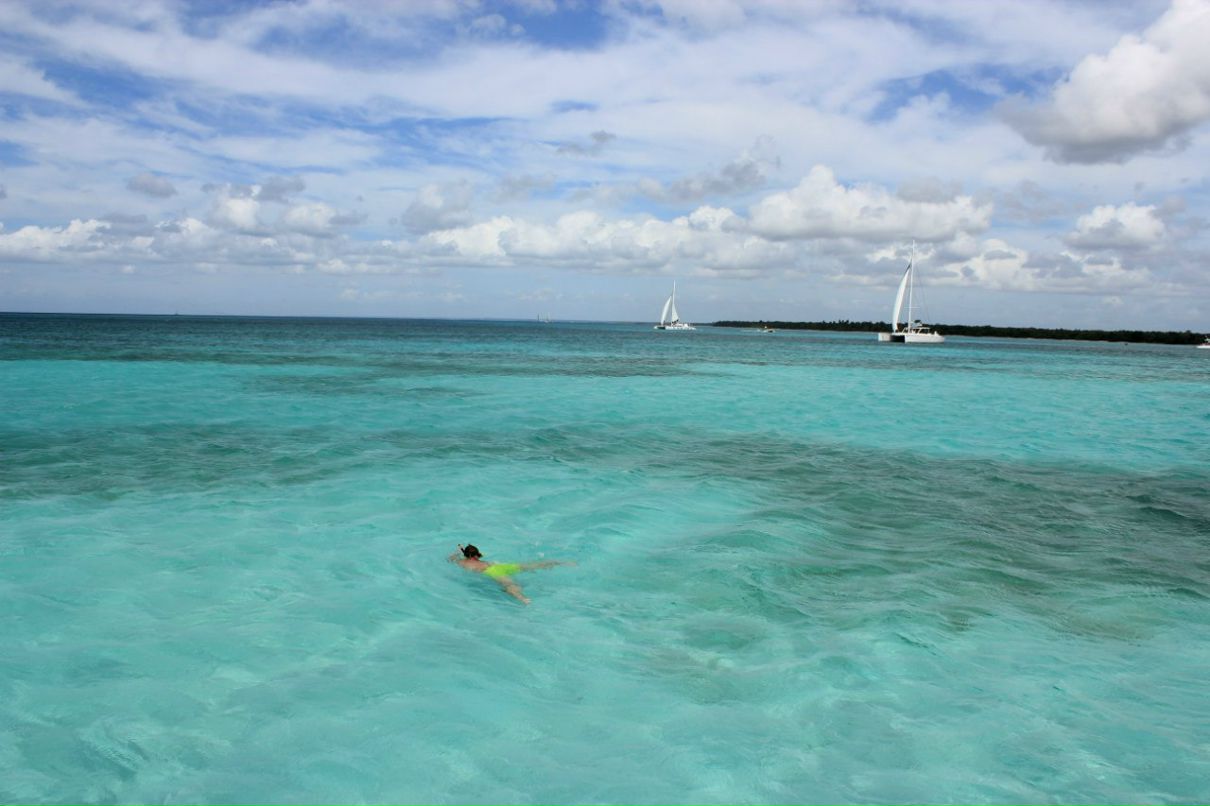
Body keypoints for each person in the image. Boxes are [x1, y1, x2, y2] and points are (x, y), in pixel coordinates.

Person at [448, 543, 573, 605]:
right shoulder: (477, 559)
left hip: (492, 571)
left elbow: (450, 559)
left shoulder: (462, 563)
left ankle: (522, 598)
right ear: (476, 554)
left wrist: (457, 552)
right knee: (528, 565)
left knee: (509, 584)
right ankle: (560, 563)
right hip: (498, 565)